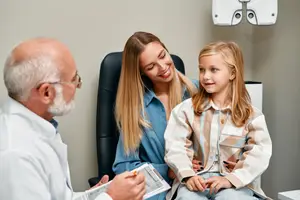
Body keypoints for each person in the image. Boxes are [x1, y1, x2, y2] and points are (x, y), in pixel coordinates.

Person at [0, 38, 146, 200]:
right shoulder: (16, 154)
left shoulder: (38, 125)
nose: (77, 85)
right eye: (74, 79)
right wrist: (112, 198)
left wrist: (93, 196)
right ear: (46, 92)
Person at [164, 41, 272, 200]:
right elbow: (176, 146)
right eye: (202, 70)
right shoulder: (185, 110)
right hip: (196, 179)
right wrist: (187, 175)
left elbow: (259, 153)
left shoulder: (251, 115)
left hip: (234, 183)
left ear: (232, 73)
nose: (205, 76)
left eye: (213, 70)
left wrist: (231, 179)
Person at [112, 31, 205, 200]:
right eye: (151, 66)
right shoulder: (137, 110)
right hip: (162, 192)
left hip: (204, 184)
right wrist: (168, 170)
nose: (162, 67)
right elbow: (123, 166)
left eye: (163, 56)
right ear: (141, 73)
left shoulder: (199, 91)